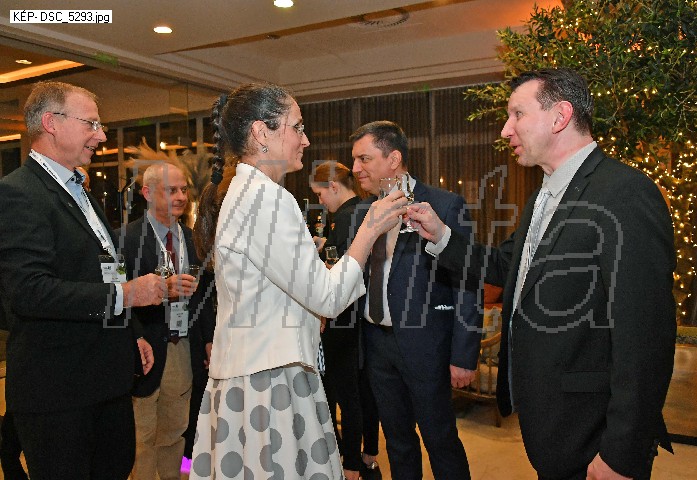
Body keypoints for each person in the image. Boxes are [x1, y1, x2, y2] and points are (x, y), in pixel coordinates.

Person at [407, 68, 676, 480]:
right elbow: (508, 267)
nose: (505, 130)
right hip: (552, 425)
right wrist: (442, 236)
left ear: (560, 116)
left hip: (593, 431)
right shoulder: (543, 195)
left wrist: (623, 454)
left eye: (517, 114)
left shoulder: (624, 192)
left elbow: (646, 338)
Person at [189, 83, 406, 479]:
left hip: (251, 372)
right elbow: (327, 297)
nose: (305, 140)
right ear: (261, 132)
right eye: (298, 127)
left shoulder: (245, 192)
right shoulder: (266, 198)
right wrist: (369, 229)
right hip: (271, 380)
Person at [0, 81, 166, 480]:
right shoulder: (18, 193)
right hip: (59, 392)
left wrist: (131, 331)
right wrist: (126, 296)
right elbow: (29, 292)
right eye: (91, 123)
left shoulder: (80, 191)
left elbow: (101, 268)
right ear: (51, 123)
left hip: (106, 382)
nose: (101, 135)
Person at [348, 121, 481, 480]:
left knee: (441, 440)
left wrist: (464, 354)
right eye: (355, 160)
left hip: (427, 346)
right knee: (397, 441)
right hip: (376, 343)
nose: (356, 168)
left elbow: (467, 281)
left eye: (364, 159)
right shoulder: (363, 213)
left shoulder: (444, 205)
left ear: (393, 159)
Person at [119, 162, 215, 479]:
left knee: (175, 430)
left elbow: (203, 297)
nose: (181, 197)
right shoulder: (124, 240)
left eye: (184, 189)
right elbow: (114, 297)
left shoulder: (193, 239)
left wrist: (209, 339)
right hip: (144, 348)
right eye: (171, 190)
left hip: (182, 347)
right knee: (142, 436)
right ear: (147, 193)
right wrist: (135, 335)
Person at [310, 161, 382, 480]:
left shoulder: (344, 217)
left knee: (345, 395)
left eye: (320, 194)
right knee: (365, 391)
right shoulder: (366, 210)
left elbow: (341, 274)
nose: (321, 201)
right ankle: (368, 455)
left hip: (343, 319)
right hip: (366, 317)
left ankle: (350, 463)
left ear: (333, 187)